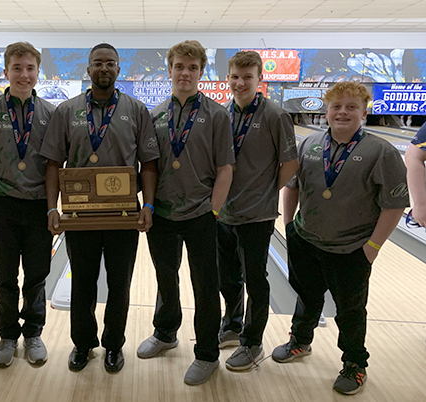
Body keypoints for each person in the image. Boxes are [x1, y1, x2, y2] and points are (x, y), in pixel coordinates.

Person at [273, 82, 408, 395]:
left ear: (364, 112)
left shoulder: (381, 151)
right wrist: (291, 225)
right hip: (306, 241)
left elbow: (395, 203)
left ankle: (354, 363)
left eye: (351, 107)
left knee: (350, 311)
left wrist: (372, 248)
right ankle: (300, 341)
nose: (343, 112)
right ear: (326, 110)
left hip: (351, 249)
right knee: (306, 297)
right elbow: (292, 185)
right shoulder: (310, 144)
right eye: (336, 106)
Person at [40, 43, 159, 374]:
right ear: (88, 69)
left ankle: (113, 345)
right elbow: (53, 163)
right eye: (97, 63)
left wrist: (147, 204)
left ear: (119, 70)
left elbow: (148, 164)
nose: (103, 68)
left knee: (120, 284)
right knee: (83, 283)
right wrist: (53, 208)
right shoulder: (67, 111)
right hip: (80, 215)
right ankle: (82, 344)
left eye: (110, 63)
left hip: (123, 214)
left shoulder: (136, 111)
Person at [135, 40, 234, 385]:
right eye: (179, 66)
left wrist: (214, 212)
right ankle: (165, 333)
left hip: (200, 214)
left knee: (206, 286)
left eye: (193, 68)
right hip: (162, 212)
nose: (185, 73)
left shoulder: (217, 114)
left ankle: (207, 354)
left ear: (201, 72)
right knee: (166, 278)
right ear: (170, 70)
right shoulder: (155, 114)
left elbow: (225, 168)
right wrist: (147, 205)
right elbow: (148, 165)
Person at [0, 42, 55, 367]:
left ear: (37, 72)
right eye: (17, 68)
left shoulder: (49, 113)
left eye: (30, 68)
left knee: (36, 275)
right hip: (1, 205)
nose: (23, 74)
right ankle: (7, 335)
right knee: (5, 275)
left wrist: (51, 206)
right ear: (6, 72)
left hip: (37, 206)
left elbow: (53, 165)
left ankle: (33, 333)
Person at [217, 50, 299, 371]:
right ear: (228, 78)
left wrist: (266, 192)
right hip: (223, 211)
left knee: (255, 278)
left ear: (259, 79)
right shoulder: (222, 114)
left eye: (247, 77)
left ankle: (252, 342)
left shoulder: (275, 116)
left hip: (258, 214)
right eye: (235, 77)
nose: (240, 83)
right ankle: (233, 324)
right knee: (228, 276)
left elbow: (290, 164)